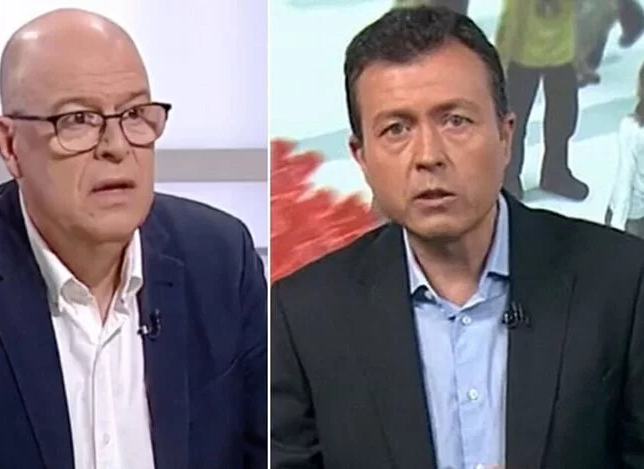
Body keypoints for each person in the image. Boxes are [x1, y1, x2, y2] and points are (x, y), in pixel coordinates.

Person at [271, 6, 644, 469]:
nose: (429, 155)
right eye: (396, 129)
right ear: (361, 157)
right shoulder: (301, 317)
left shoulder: (623, 282)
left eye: (455, 121)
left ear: (506, 136)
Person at [0, 8, 267, 469]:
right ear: (9, 145)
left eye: (134, 114)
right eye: (77, 120)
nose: (116, 147)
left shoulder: (220, 259)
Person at [495, 0, 588, 200]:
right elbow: (510, 19)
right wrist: (501, 59)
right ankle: (509, 176)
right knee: (515, 122)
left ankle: (555, 172)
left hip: (562, 54)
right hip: (524, 56)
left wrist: (579, 54)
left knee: (563, 118)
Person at [607, 61, 644, 237]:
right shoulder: (633, 130)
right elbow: (625, 178)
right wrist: (617, 228)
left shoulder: (631, 128)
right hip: (631, 217)